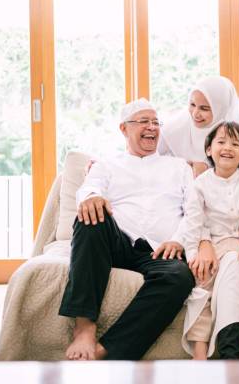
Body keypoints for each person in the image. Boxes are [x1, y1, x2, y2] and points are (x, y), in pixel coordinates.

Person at [58, 98, 195, 361]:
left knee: (180, 277)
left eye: (156, 122)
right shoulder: (106, 164)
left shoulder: (178, 167)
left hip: (159, 249)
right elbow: (89, 188)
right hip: (116, 244)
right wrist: (93, 197)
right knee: (90, 214)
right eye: (144, 121)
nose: (152, 128)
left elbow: (194, 211)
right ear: (124, 129)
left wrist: (178, 240)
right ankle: (84, 326)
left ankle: (107, 350)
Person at [181, 121, 239, 360]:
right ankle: (200, 347)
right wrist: (194, 255)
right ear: (209, 149)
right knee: (202, 278)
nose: (227, 147)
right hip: (212, 243)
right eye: (221, 142)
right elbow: (194, 223)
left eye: (235, 143)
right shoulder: (199, 184)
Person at [158, 76, 239, 177]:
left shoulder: (236, 135)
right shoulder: (175, 128)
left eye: (204, 108)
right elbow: (152, 160)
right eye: (192, 104)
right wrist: (180, 166)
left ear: (221, 110)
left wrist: (208, 167)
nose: (195, 114)